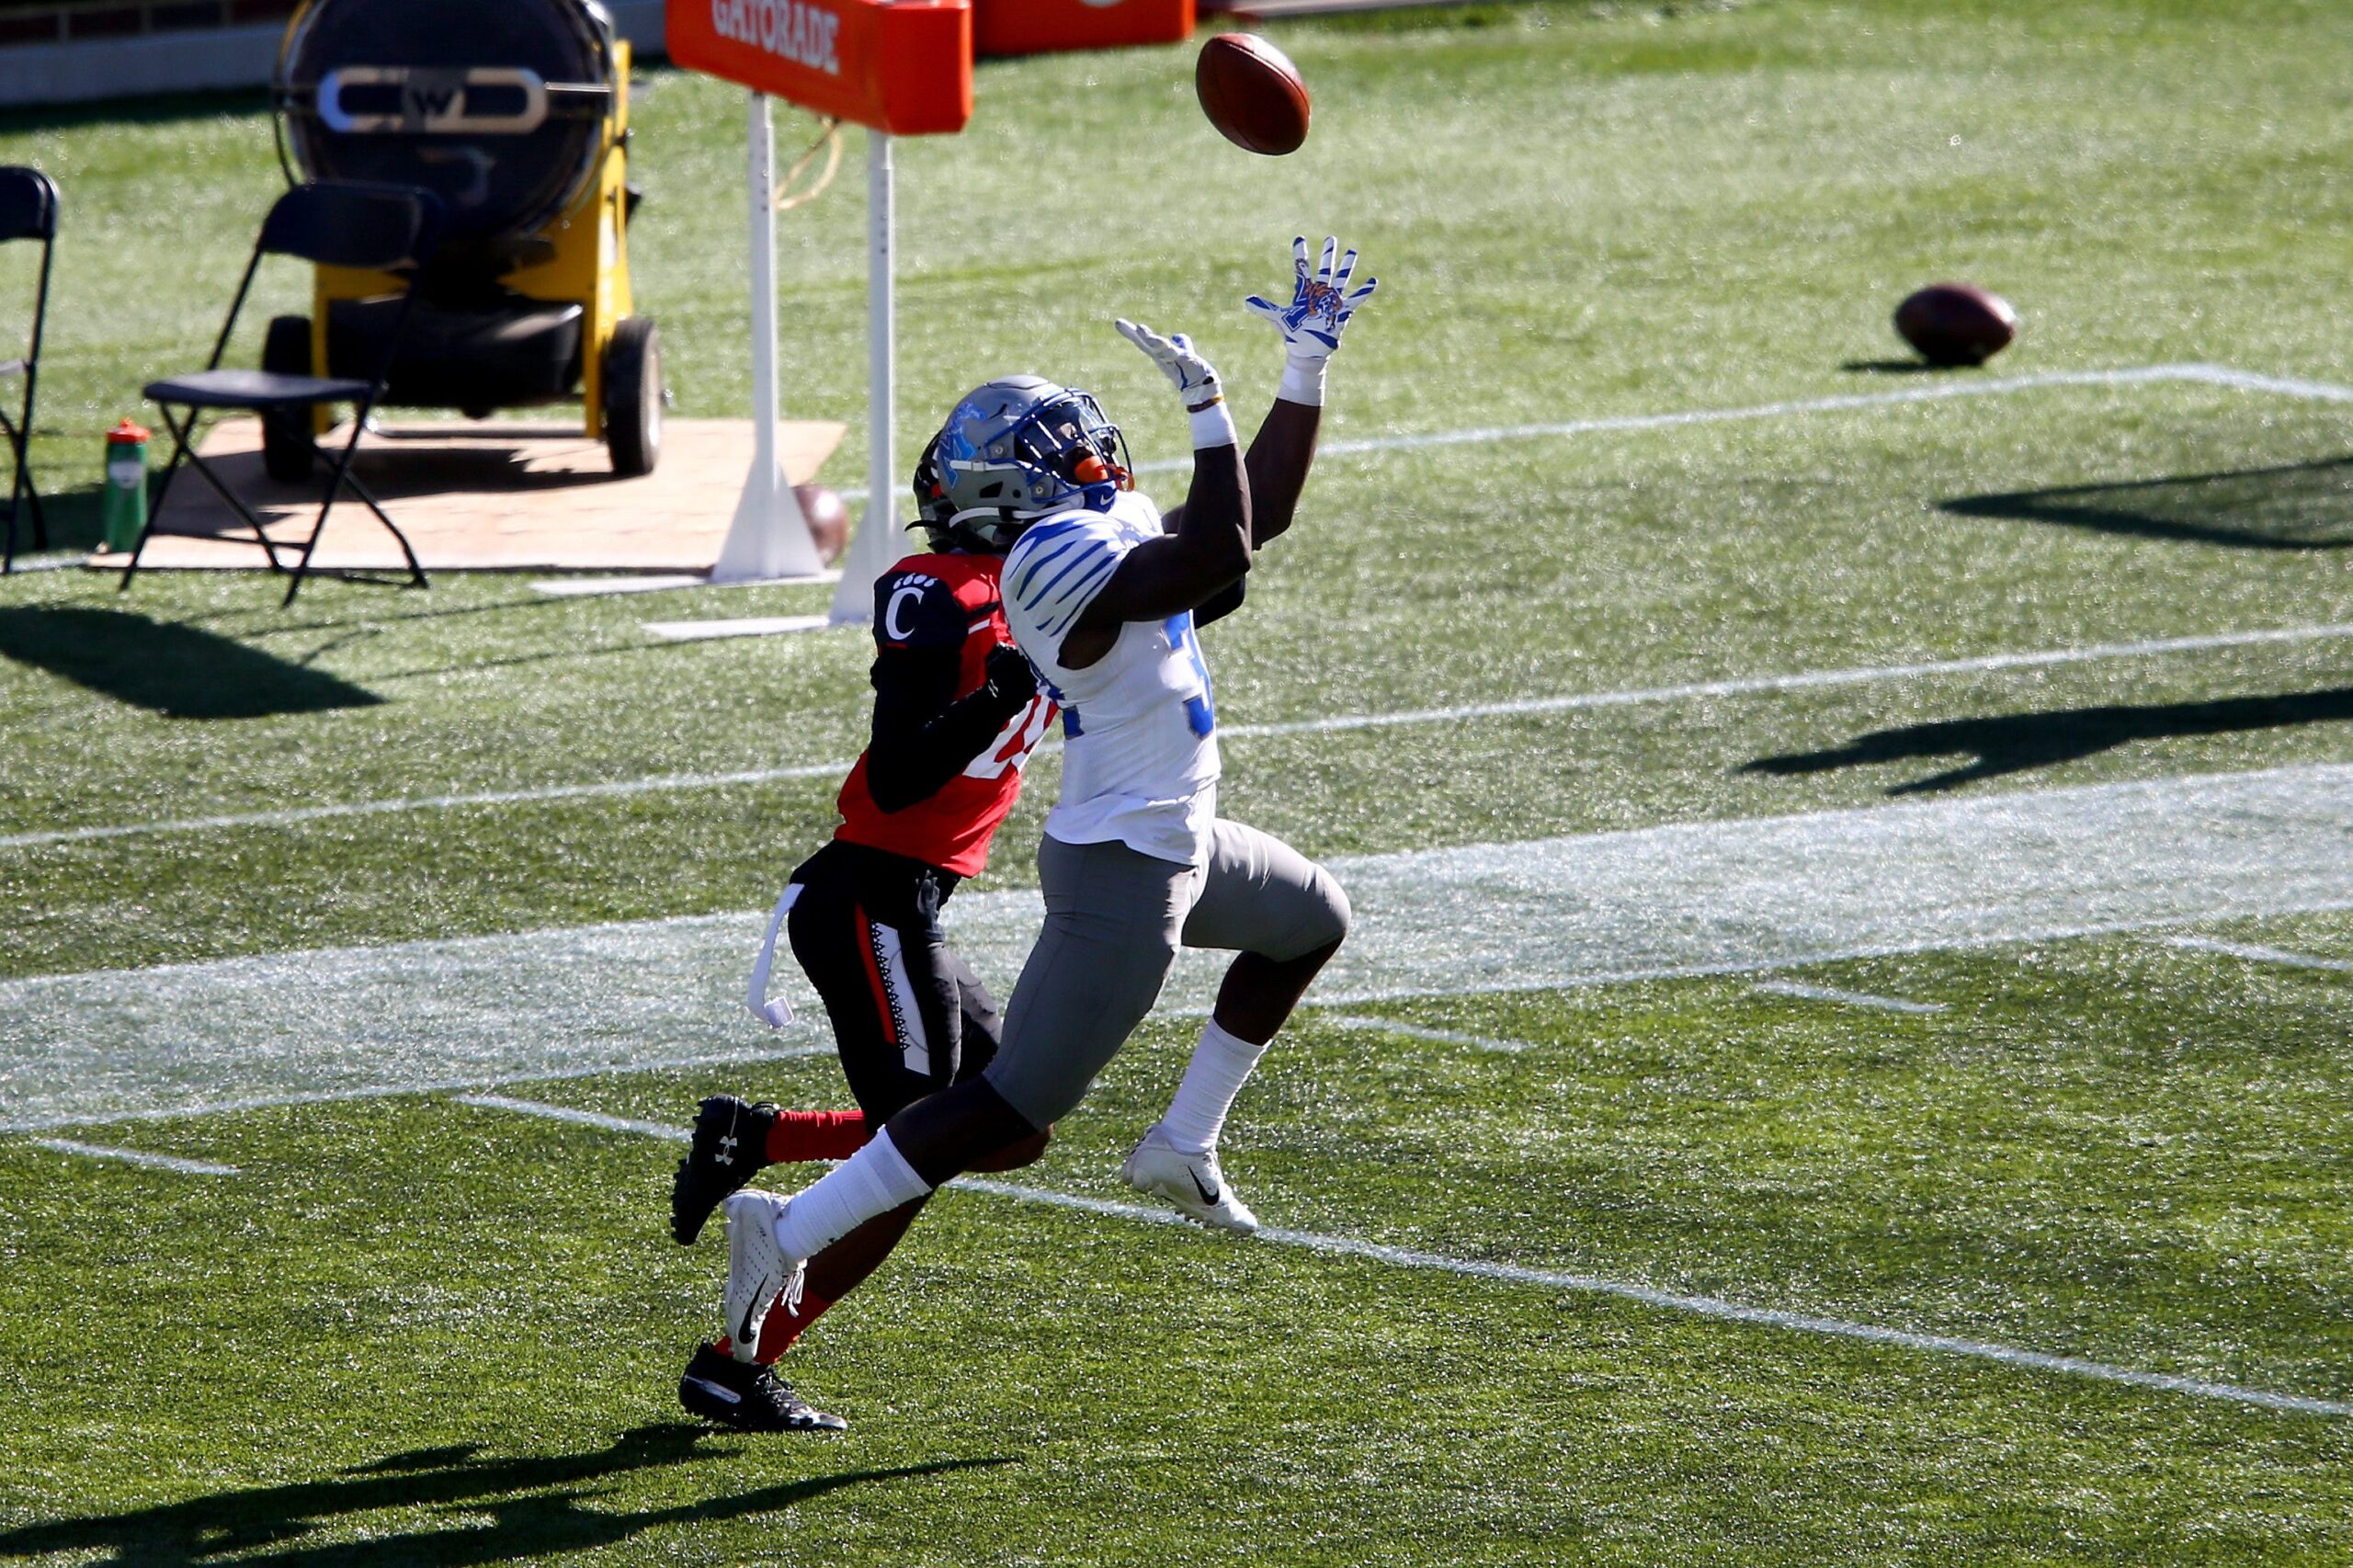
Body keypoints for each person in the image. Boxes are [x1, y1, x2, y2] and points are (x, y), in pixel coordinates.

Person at [717, 236, 1379, 1363]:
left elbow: (1251, 520)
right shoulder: (1039, 565)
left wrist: (1301, 368)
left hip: (1174, 837)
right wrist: (1207, 410)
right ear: (1005, 485)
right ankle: (789, 1223)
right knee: (1007, 1110)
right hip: (1123, 864)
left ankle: (1184, 1140)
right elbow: (1214, 553)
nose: (1082, 448)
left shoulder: (1091, 529)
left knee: (1312, 917)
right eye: (1049, 445)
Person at [665, 431, 1063, 1432]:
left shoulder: (1055, 588)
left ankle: (762, 1136)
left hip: (906, 902)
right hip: (869, 897)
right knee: (919, 1151)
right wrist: (991, 701)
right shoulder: (946, 589)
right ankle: (735, 1361)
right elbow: (894, 776)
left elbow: (1215, 565)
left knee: (1014, 1130)